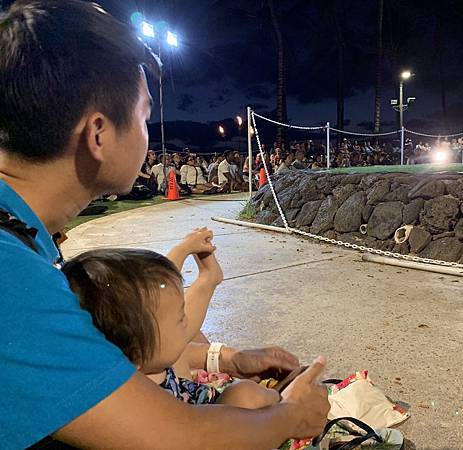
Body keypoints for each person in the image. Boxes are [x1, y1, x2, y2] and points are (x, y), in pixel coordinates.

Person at [0, 1, 330, 448]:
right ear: (98, 134)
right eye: (143, 114)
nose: (148, 131)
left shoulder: (21, 239)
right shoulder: (9, 275)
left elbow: (112, 357)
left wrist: (229, 358)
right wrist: (291, 417)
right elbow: (176, 438)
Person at [63, 228, 280, 409]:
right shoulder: (137, 403)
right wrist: (279, 403)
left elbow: (154, 298)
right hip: (197, 421)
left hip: (185, 386)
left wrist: (182, 249)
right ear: (135, 355)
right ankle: (285, 400)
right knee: (245, 394)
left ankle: (206, 277)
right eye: (180, 319)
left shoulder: (140, 356)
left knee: (164, 309)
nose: (185, 320)